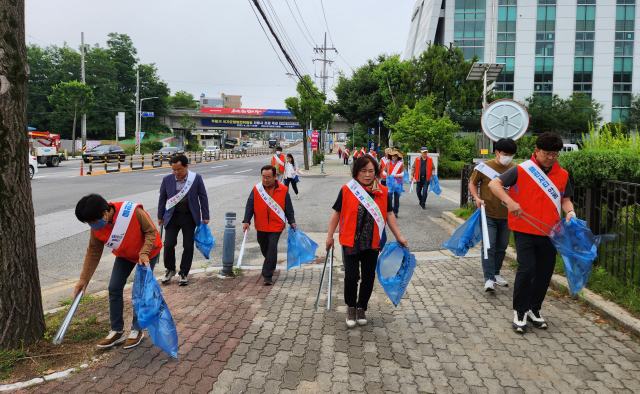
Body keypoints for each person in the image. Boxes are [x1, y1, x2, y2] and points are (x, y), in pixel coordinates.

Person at [488, 132, 576, 333]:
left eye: (555, 154)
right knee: (527, 270)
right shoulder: (522, 170)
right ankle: (519, 311)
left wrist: (570, 212)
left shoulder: (562, 175)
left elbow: (565, 199)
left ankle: (533, 309)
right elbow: (495, 184)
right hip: (524, 230)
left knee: (544, 274)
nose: (551, 158)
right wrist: (509, 201)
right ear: (537, 151)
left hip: (550, 232)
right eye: (547, 154)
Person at [325, 155, 408, 328]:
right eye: (363, 171)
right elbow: (336, 213)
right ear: (356, 172)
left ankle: (362, 307)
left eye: (371, 171)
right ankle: (351, 307)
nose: (368, 175)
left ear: (376, 172)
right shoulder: (348, 189)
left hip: (372, 242)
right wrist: (329, 235)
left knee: (368, 277)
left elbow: (389, 214)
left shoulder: (383, 191)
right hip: (350, 240)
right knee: (351, 277)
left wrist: (399, 236)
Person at [73, 194, 163, 349]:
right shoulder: (97, 226)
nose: (93, 226)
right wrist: (84, 279)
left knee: (139, 290)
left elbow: (151, 232)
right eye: (89, 223)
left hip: (147, 252)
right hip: (125, 254)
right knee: (114, 287)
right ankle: (117, 331)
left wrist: (144, 253)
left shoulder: (132, 212)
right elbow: (94, 251)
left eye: (94, 222)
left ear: (105, 213)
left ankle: (137, 329)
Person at [468, 138, 517, 292]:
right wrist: (476, 198)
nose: (507, 156)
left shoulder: (515, 169)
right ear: (496, 152)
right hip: (487, 213)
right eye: (505, 153)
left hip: (506, 215)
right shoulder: (484, 167)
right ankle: (489, 278)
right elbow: (472, 183)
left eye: (510, 154)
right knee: (489, 246)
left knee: (501, 247)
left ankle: (496, 274)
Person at [158, 155, 210, 286]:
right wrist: (160, 216)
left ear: (186, 167)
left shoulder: (196, 179)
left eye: (179, 169)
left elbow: (203, 197)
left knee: (188, 245)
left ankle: (184, 272)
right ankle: (170, 269)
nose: (177, 172)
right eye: (174, 169)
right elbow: (162, 199)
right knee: (169, 244)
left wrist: (205, 215)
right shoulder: (167, 180)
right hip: (172, 216)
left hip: (189, 217)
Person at [243, 165, 297, 285]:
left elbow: (288, 208)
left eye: (268, 177)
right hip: (261, 225)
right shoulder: (257, 189)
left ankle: (267, 275)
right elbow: (250, 205)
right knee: (264, 247)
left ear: (274, 176)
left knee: (272, 247)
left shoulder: (283, 189)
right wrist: (246, 221)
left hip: (276, 225)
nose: (265, 180)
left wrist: (292, 221)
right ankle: (270, 262)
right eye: (263, 177)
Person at [385, 149, 404, 217]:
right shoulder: (387, 163)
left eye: (395, 156)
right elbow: (383, 172)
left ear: (397, 157)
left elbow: (403, 173)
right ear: (391, 156)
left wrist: (398, 175)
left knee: (396, 198)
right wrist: (386, 174)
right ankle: (390, 211)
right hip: (390, 183)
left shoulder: (400, 164)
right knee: (389, 197)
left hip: (397, 183)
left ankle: (395, 212)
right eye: (393, 156)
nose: (394, 157)